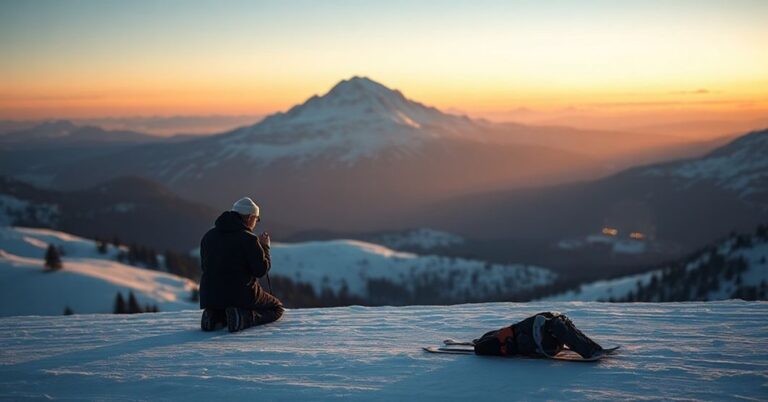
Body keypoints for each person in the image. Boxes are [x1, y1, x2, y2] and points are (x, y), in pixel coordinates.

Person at [199, 197, 284, 332]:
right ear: (250, 217)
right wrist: (265, 247)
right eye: (257, 218)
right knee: (276, 308)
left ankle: (214, 315)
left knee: (224, 303)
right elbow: (261, 270)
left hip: (210, 296)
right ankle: (244, 318)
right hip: (241, 294)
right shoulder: (249, 239)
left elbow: (205, 267)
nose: (256, 222)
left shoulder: (209, 236)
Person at [472, 312, 604, 359]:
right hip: (539, 342)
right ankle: (589, 350)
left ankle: (591, 348)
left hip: (540, 338)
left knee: (558, 322)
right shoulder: (501, 341)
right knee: (556, 324)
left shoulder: (498, 336)